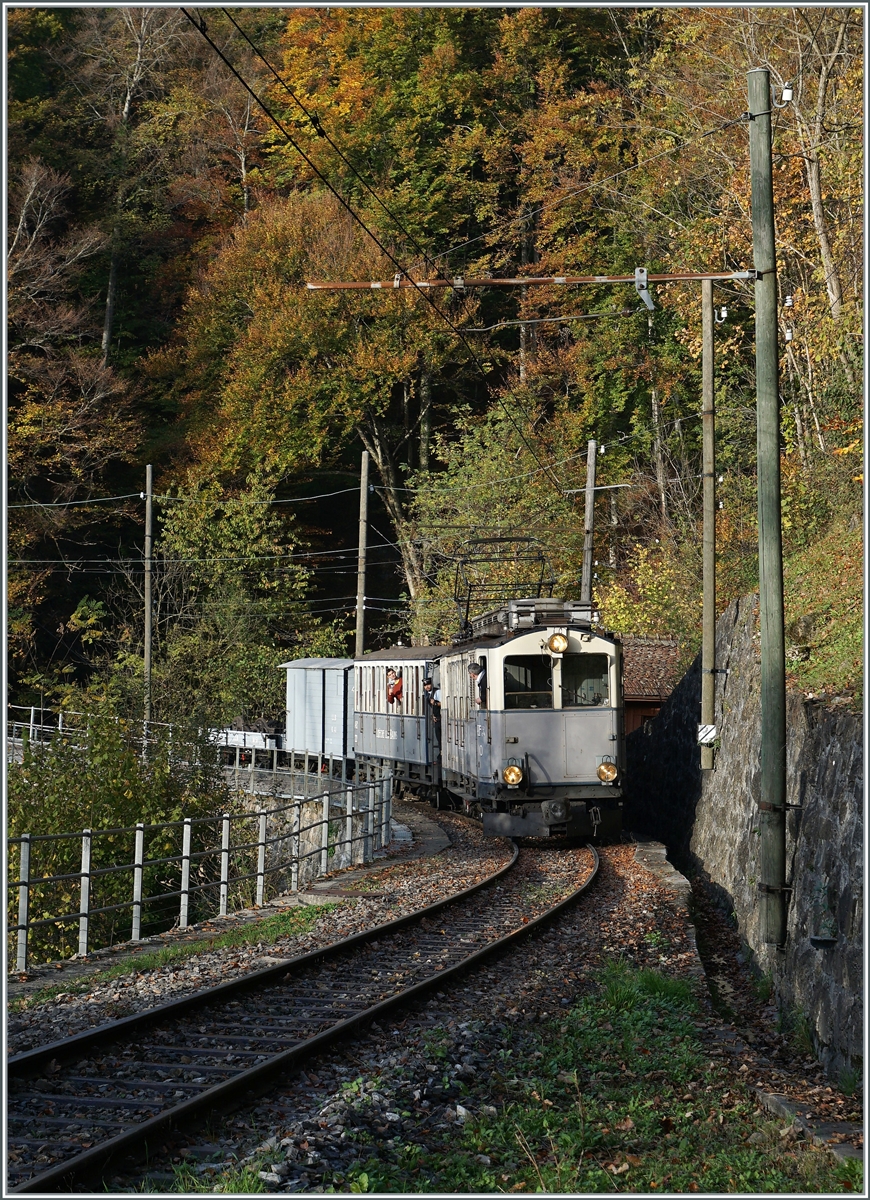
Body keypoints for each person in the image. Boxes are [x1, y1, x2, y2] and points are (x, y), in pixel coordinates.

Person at [423, 676, 441, 746]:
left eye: (428, 684)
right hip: (436, 719)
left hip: (441, 719)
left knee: (440, 740)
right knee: (438, 739)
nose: (427, 686)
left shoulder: (437, 692)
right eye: (425, 685)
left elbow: (444, 704)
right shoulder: (428, 695)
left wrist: (436, 703)